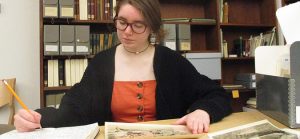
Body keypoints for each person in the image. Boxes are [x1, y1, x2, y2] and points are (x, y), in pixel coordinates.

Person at [14, 0, 232, 134]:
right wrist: (38, 118)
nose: (127, 31)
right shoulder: (101, 63)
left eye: (138, 25)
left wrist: (203, 111)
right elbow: (73, 109)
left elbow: (216, 95)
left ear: (152, 28)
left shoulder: (171, 61)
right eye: (122, 22)